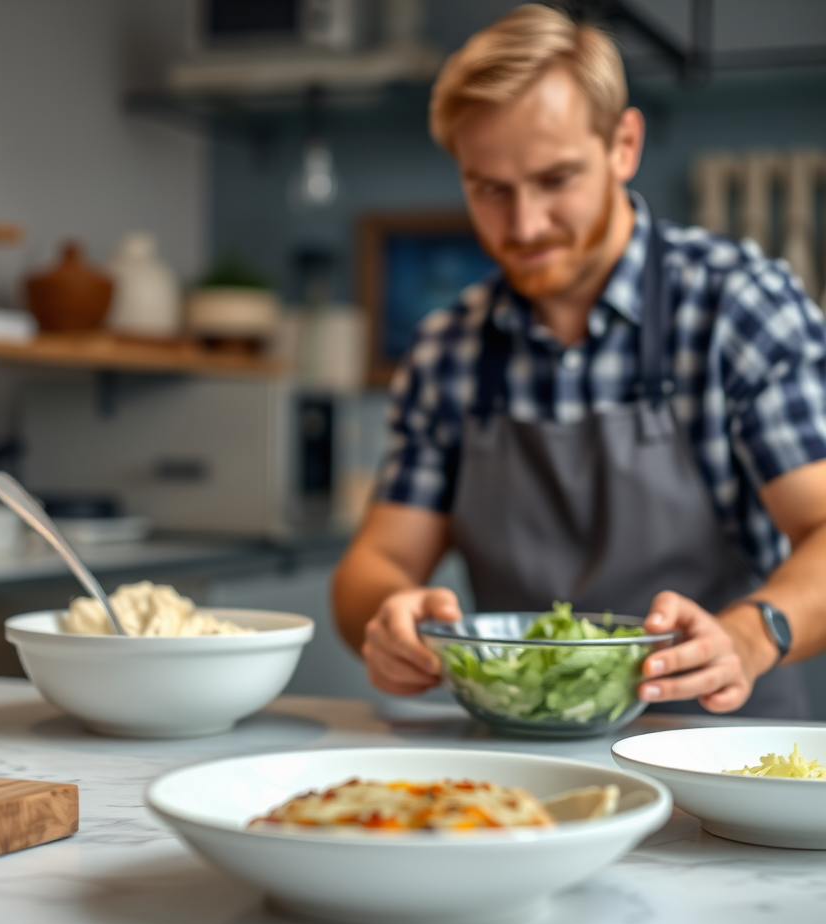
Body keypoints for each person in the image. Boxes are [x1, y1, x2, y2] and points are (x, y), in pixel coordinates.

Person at [332, 4, 826, 717]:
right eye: (490, 189)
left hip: (722, 753)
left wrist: (749, 636)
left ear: (623, 145)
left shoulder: (735, 307)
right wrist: (388, 614)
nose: (524, 224)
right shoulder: (449, 349)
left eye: (555, 179)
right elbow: (373, 564)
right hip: (523, 766)